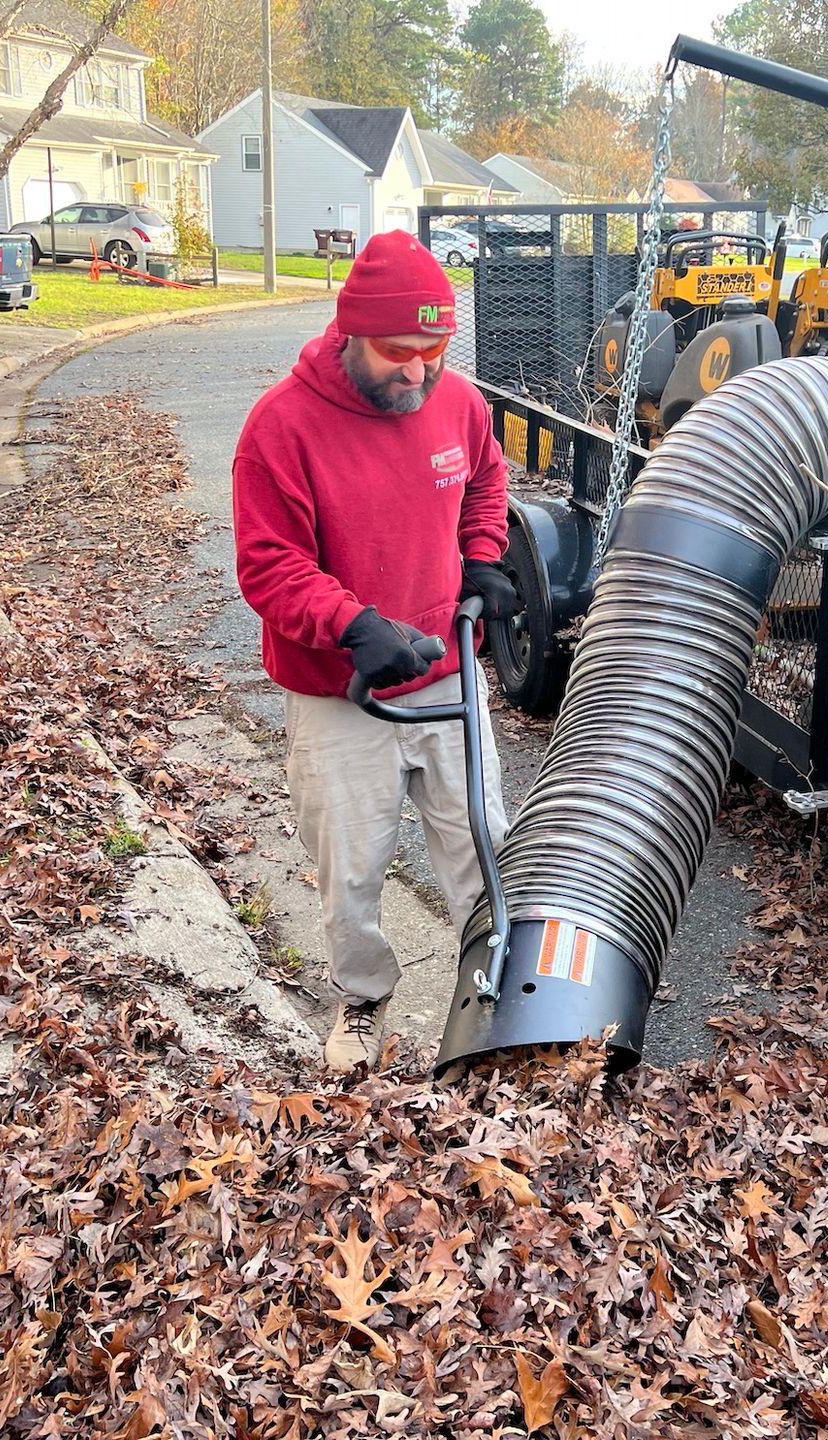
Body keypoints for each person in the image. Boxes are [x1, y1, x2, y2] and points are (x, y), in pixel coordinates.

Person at [231, 231, 518, 1072]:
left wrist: (484, 558)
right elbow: (269, 564)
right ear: (350, 331)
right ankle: (362, 998)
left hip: (445, 677)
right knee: (352, 867)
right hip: (341, 694)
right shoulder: (281, 427)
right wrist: (354, 626)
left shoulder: (456, 401)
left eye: (433, 352)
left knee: (484, 843)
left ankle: (493, 984)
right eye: (400, 352)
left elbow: (486, 480)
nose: (418, 372)